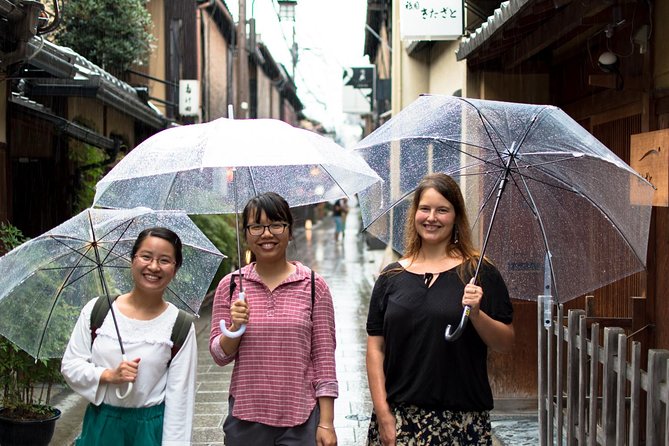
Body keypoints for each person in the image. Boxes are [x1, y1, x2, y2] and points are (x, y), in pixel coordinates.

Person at [365, 173, 515, 446]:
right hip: (401, 419)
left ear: (456, 216)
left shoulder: (479, 272)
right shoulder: (391, 277)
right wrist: (384, 414)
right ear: (414, 214)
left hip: (462, 421)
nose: (431, 217)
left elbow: (505, 342)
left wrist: (477, 314)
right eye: (425, 208)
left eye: (442, 210)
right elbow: (376, 348)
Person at [209, 192, 338, 446]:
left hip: (300, 420)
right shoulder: (232, 286)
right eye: (256, 226)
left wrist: (326, 423)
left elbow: (324, 359)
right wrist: (235, 329)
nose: (267, 234)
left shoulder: (314, 286)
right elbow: (219, 355)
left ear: (290, 231)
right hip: (245, 419)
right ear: (245, 234)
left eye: (276, 224)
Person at [61, 227, 197, 446]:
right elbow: (70, 365)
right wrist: (107, 375)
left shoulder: (180, 325)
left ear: (175, 268)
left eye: (164, 260)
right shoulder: (98, 310)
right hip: (101, 427)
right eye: (146, 256)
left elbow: (180, 399)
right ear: (132, 259)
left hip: (149, 432)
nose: (153, 266)